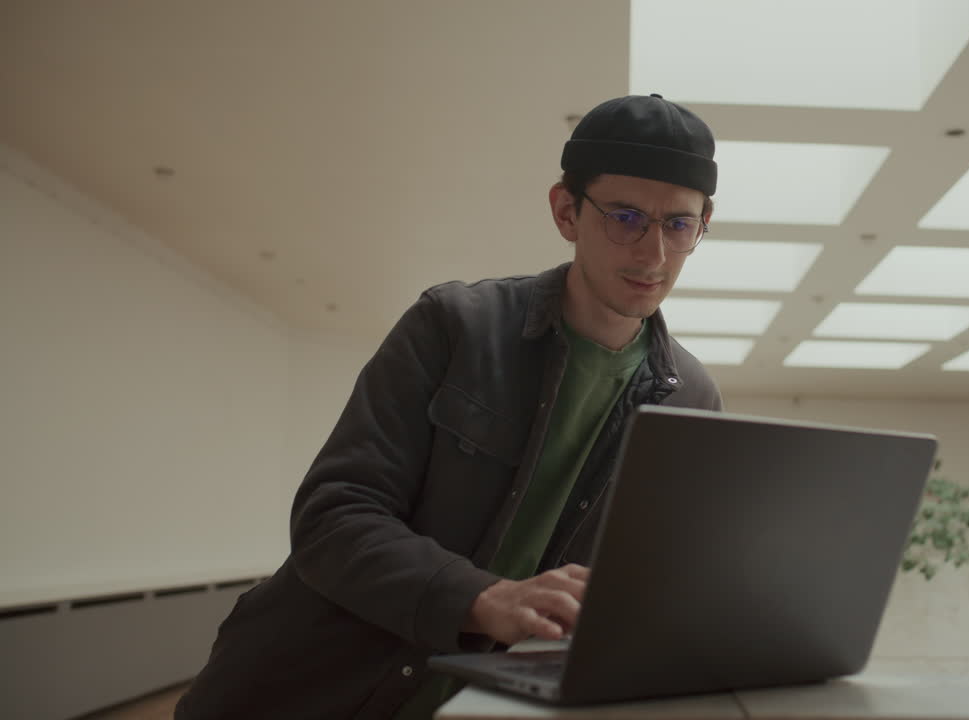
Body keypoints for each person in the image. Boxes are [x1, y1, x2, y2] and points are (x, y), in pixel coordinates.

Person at [175, 93, 724, 719]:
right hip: (309, 691)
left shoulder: (694, 401)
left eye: (679, 225)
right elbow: (333, 517)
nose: (654, 255)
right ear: (566, 211)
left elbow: (656, 585)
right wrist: (482, 599)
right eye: (625, 218)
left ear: (703, 223)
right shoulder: (454, 325)